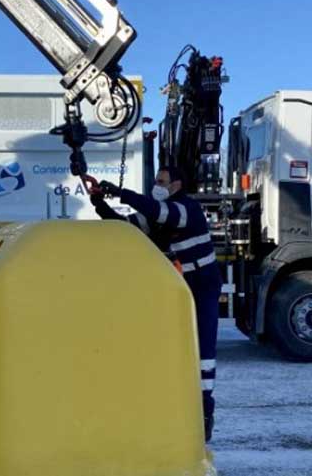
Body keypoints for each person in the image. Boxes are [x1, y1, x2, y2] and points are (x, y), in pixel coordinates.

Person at [91, 167, 221, 442]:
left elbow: (161, 213)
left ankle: (205, 412)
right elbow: (125, 229)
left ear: (176, 184)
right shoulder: (158, 212)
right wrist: (100, 204)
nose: (156, 185)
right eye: (155, 181)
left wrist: (120, 192)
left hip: (204, 282)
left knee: (204, 350)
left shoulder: (187, 208)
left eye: (161, 182)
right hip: (184, 282)